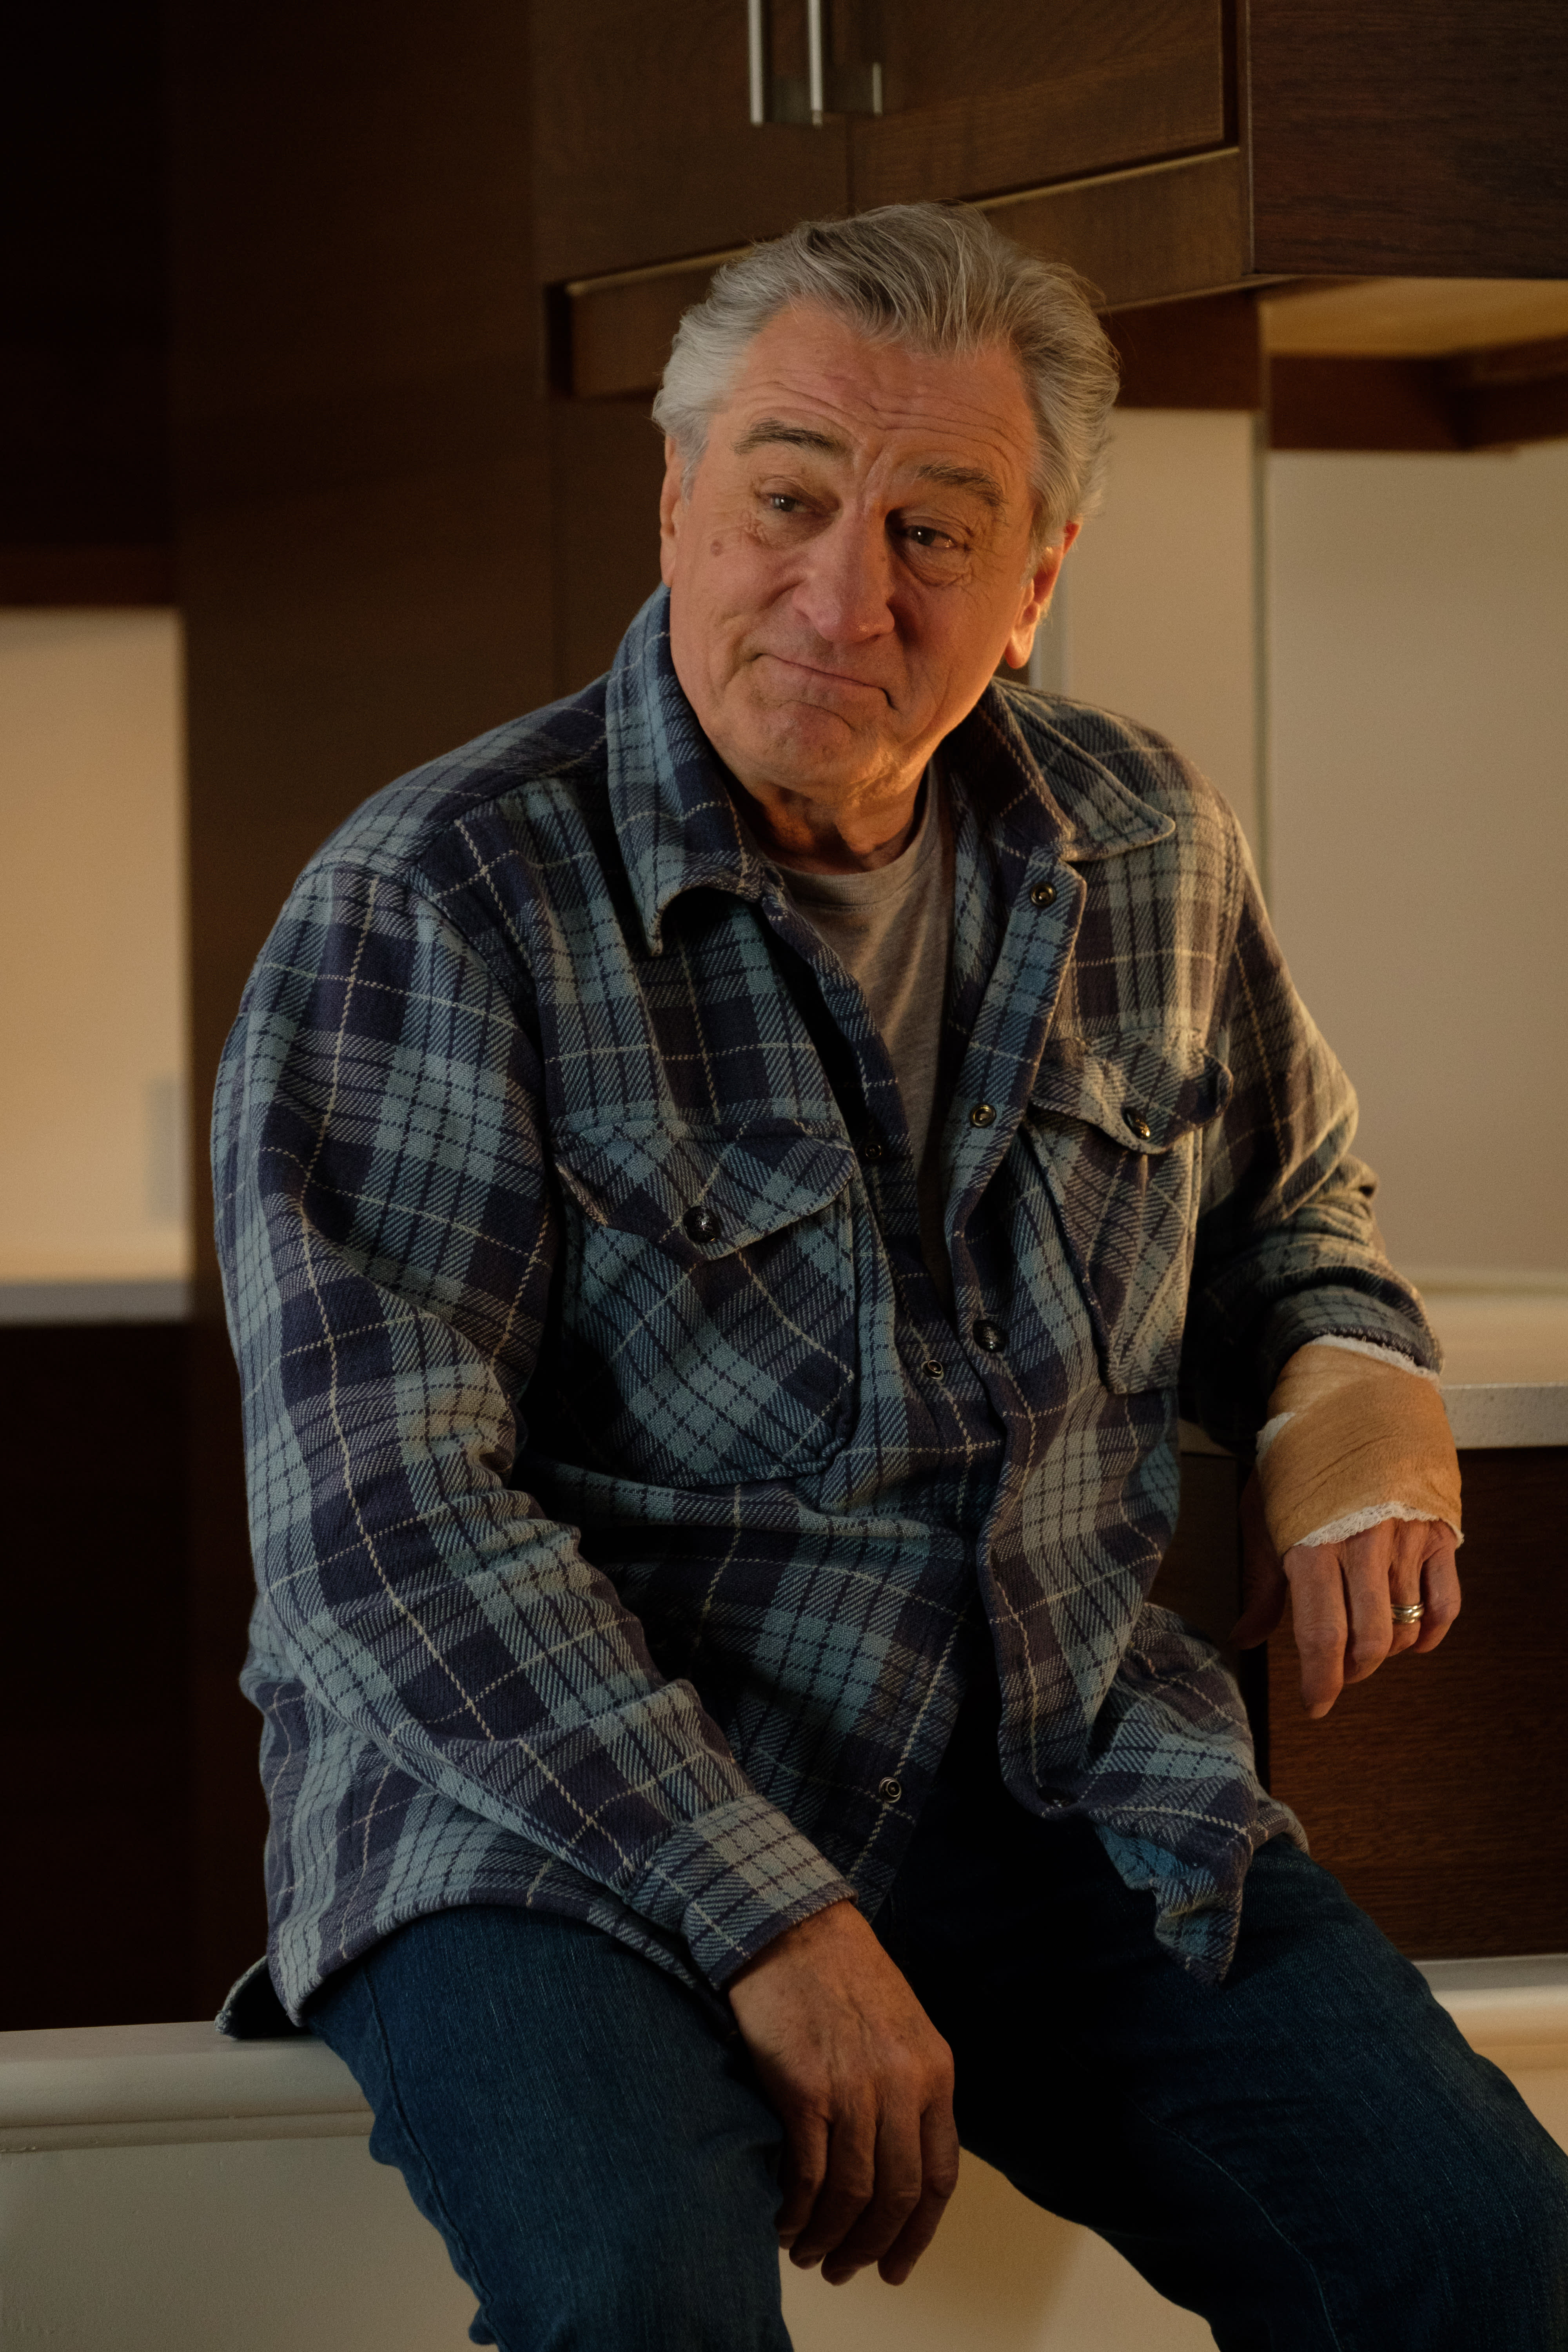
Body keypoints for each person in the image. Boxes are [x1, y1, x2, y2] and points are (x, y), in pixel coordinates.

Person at [213, 203, 1567, 2348]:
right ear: (679, 500)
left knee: (1497, 2266)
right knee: (644, 2308)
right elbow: (386, 1533)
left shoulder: (1150, 842)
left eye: (936, 530)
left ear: (1036, 584)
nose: (846, 597)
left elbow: (1298, 1226)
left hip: (1057, 1789)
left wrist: (1355, 1391)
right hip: (544, 1819)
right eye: (788, 501)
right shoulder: (435, 898)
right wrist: (778, 1921)